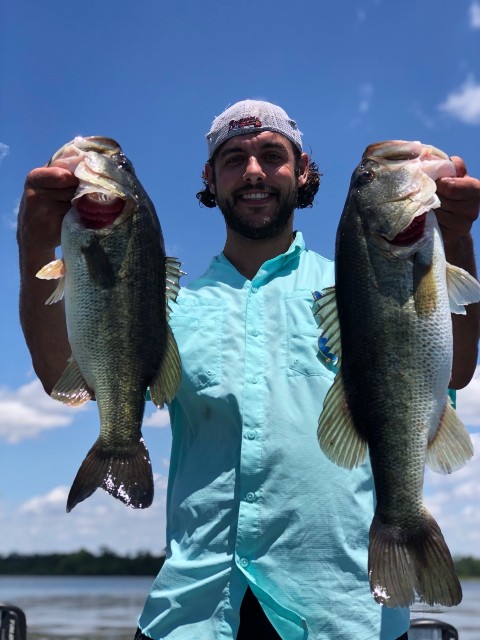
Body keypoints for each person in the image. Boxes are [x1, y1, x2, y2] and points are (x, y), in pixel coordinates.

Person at [17, 100, 480, 640]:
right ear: (209, 179)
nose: (254, 171)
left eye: (271, 155)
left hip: (345, 615)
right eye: (233, 158)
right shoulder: (168, 306)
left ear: (302, 171)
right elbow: (59, 375)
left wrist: (459, 236)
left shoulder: (360, 285)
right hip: (192, 614)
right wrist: (33, 241)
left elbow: (454, 370)